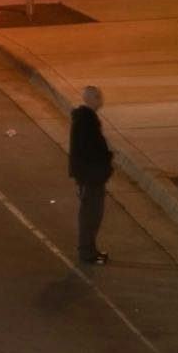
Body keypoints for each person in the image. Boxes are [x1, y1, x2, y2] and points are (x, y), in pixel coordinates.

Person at [67, 86, 114, 267]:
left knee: (93, 214)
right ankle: (87, 252)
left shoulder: (86, 119)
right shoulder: (86, 121)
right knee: (90, 215)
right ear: (91, 99)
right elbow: (91, 150)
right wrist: (106, 158)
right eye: (98, 97)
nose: (101, 99)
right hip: (90, 177)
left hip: (92, 176)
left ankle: (91, 249)